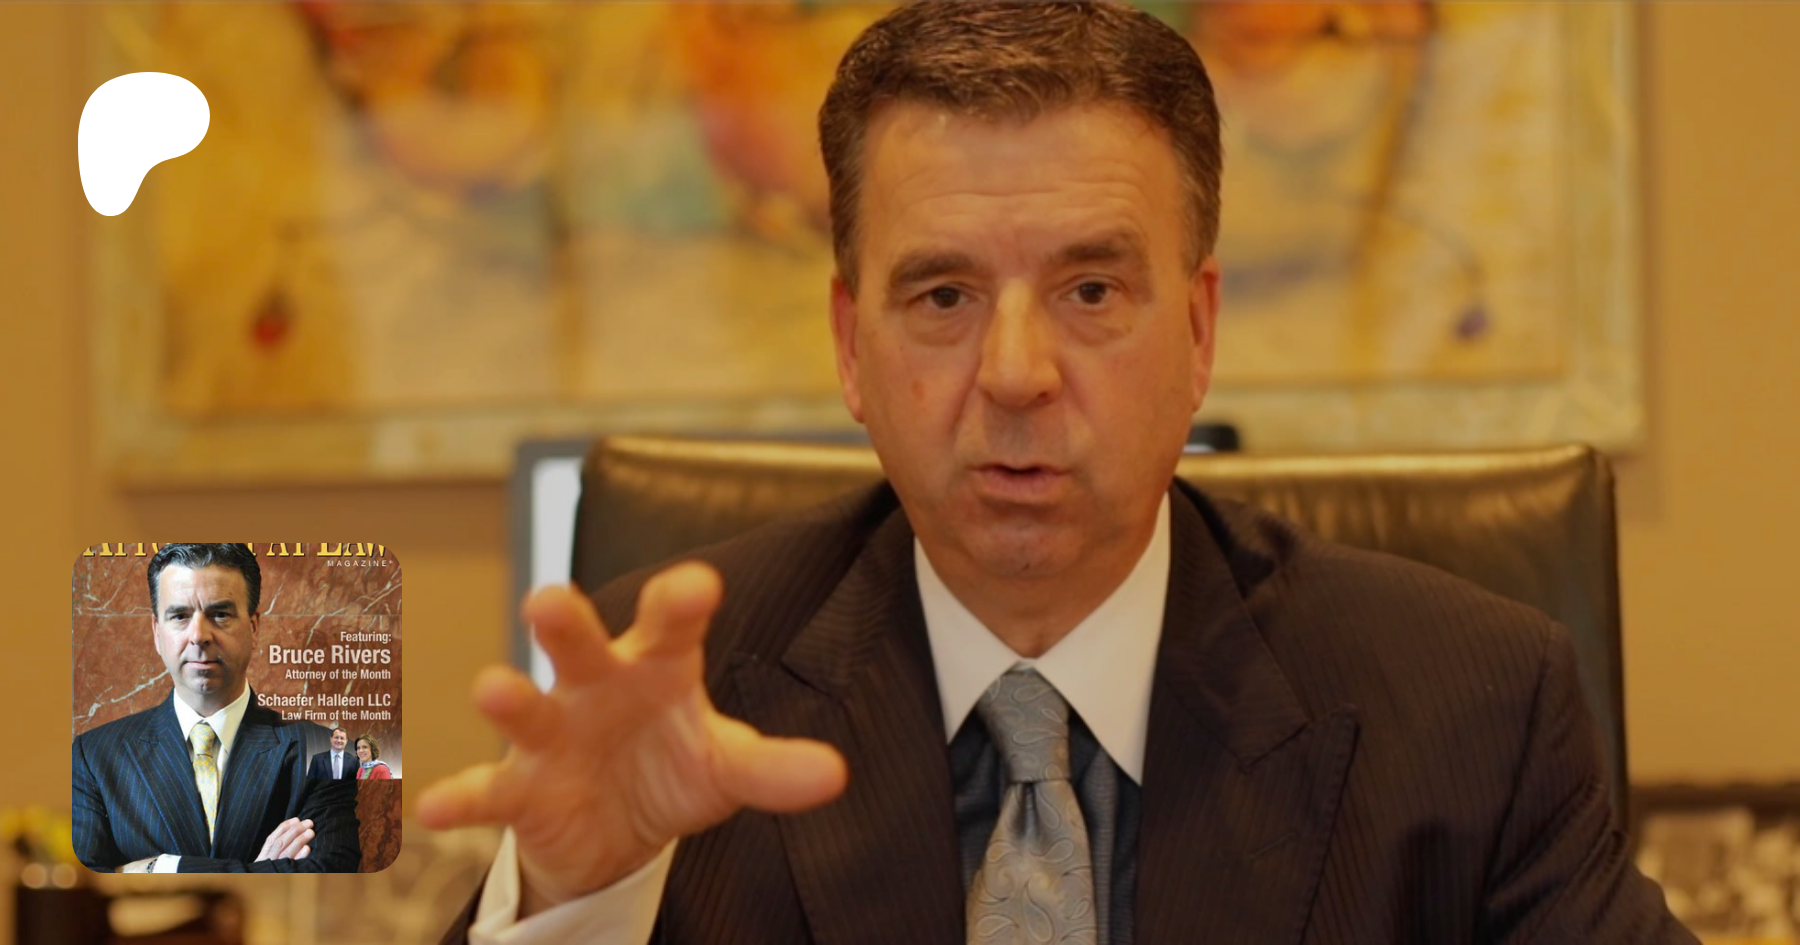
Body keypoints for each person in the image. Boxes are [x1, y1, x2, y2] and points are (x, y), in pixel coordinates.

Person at [421, 3, 1697, 942]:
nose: (1017, 373)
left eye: (1091, 290)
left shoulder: (1470, 709)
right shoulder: (680, 705)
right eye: (943, 295)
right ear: (850, 347)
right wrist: (572, 902)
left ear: (1197, 331)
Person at [72, 543, 361, 873]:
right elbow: (83, 882)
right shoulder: (93, 757)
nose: (199, 635)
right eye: (180, 616)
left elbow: (331, 871)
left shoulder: (322, 752)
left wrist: (161, 868)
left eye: (220, 614)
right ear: (156, 632)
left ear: (254, 627)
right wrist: (259, 872)